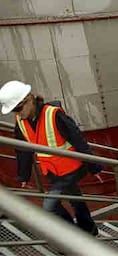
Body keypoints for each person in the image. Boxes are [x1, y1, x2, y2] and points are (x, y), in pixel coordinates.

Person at [0, 80, 102, 235]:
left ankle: (74, 235)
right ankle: (89, 229)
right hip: (53, 171)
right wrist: (24, 176)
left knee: (49, 206)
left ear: (29, 100)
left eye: (18, 108)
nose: (17, 113)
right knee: (75, 199)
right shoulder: (21, 121)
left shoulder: (53, 114)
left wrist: (94, 167)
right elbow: (23, 150)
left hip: (70, 170)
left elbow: (77, 140)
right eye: (13, 110)